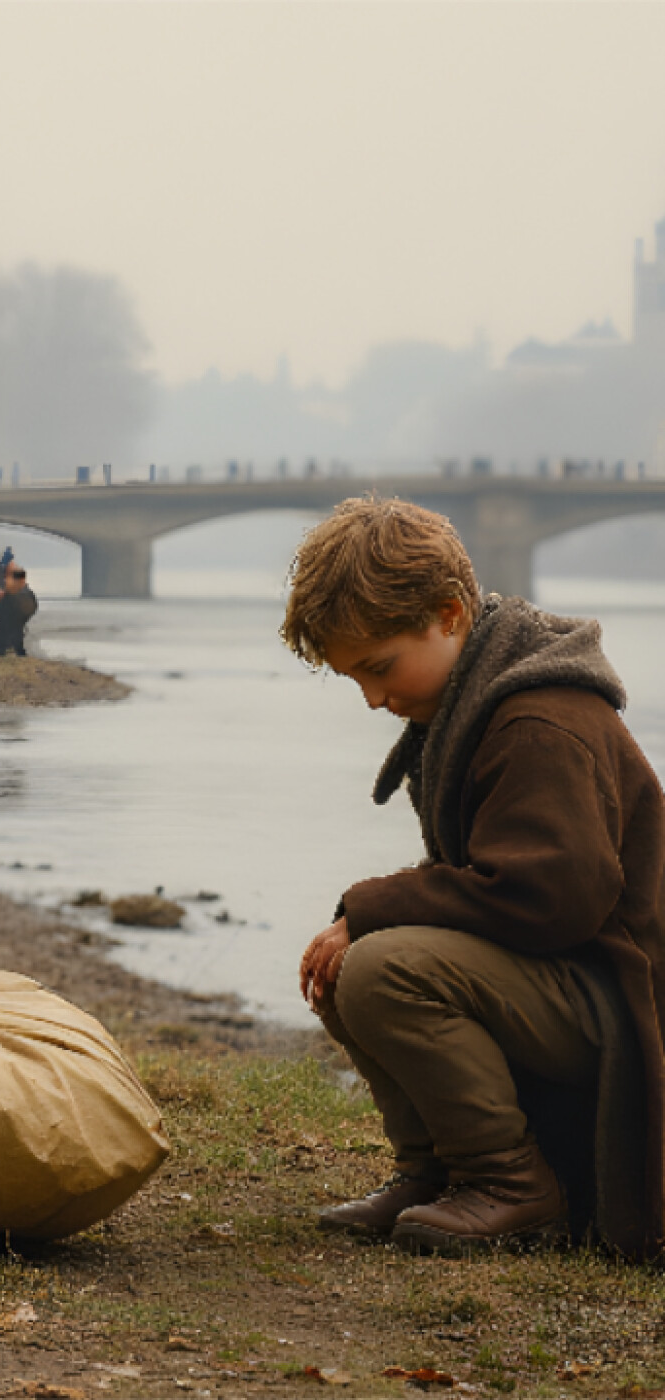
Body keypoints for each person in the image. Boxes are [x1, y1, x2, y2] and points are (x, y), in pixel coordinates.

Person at [282, 496, 664, 1259]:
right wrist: (369, 918)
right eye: (354, 677)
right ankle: (436, 1172)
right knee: (348, 966)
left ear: (450, 614)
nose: (373, 698)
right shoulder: (476, 698)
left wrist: (371, 908)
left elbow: (552, 897)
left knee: (383, 969)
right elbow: (488, 885)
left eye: (379, 667)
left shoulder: (536, 720)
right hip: (569, 979)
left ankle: (515, 1186)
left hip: (625, 1000)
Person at [0, 566, 38, 657]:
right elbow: (34, 605)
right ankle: (19, 651)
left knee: (5, 626)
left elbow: (0, 608)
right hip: (26, 610)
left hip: (16, 609)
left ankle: (2, 649)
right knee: (17, 628)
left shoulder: (10, 589)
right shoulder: (27, 589)